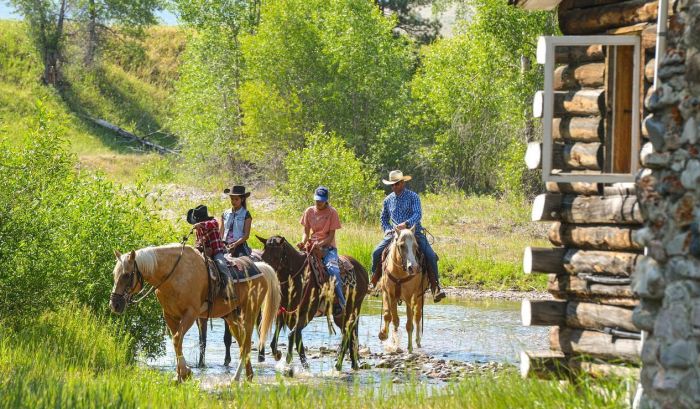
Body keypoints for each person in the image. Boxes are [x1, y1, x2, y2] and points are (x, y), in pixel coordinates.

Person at [370, 170, 446, 303]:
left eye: (397, 184)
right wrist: (388, 230)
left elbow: (417, 214)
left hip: (413, 233)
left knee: (430, 255)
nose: (394, 187)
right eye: (392, 185)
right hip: (395, 235)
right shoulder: (388, 200)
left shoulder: (413, 197)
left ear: (403, 183)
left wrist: (406, 224)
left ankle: (435, 286)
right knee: (376, 252)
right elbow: (383, 218)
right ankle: (374, 283)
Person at [298, 186, 346, 315]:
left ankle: (340, 303)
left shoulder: (332, 212)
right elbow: (305, 232)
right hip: (311, 245)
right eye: (317, 200)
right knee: (296, 265)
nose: (318, 203)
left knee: (333, 270)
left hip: (328, 247)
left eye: (321, 201)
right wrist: (302, 242)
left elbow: (330, 236)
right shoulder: (309, 211)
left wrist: (320, 244)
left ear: (326, 200)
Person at [187, 205, 236, 302]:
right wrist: (198, 246)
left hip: (217, 251)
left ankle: (230, 290)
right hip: (205, 253)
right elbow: (198, 242)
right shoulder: (198, 230)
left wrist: (200, 225)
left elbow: (209, 224)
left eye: (197, 222)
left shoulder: (213, 222)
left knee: (222, 266)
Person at [220, 185, 253, 257]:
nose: (233, 201)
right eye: (232, 199)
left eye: (236, 199)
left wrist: (235, 244)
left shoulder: (246, 214)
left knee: (244, 264)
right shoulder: (225, 214)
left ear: (242, 199)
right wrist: (220, 243)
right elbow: (221, 231)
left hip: (239, 245)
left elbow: (246, 235)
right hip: (224, 245)